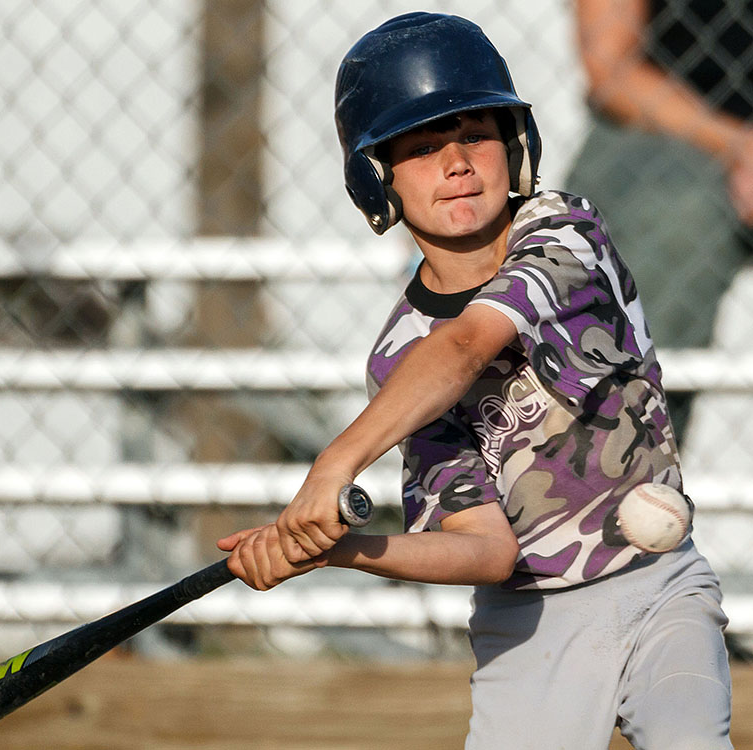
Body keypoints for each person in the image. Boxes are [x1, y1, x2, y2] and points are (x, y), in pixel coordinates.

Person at [217, 13, 733, 749]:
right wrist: (334, 549)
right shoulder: (397, 359)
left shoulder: (565, 233)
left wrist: (335, 464)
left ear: (515, 145)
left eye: (475, 135)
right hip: (529, 626)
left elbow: (466, 344)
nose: (456, 162)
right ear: (377, 177)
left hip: (660, 588)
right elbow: (485, 549)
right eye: (423, 147)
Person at [565, 0, 753, 439]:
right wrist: (739, 146)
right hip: (667, 130)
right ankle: (630, 465)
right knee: (677, 217)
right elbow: (610, 69)